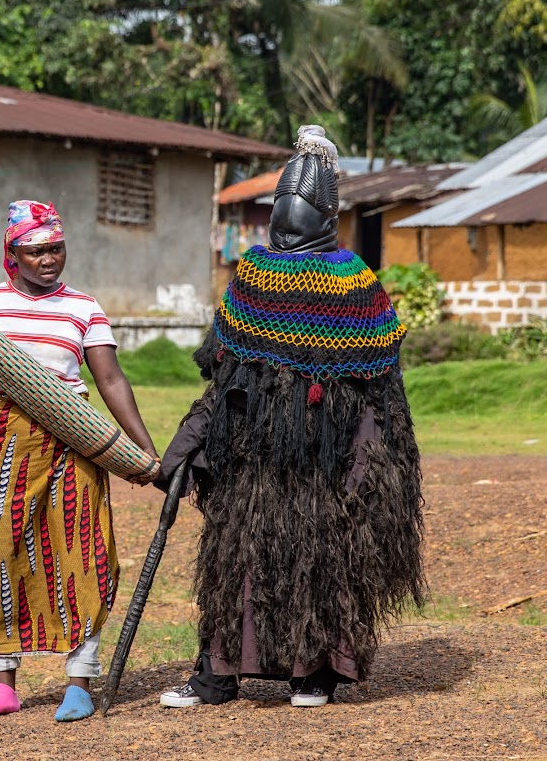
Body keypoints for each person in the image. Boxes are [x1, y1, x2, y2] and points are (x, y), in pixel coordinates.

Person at [154, 126, 426, 709]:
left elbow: (380, 387)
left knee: (321, 559)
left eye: (298, 211)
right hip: (255, 454)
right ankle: (219, 675)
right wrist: (194, 441)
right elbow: (224, 376)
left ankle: (313, 674)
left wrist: (372, 460)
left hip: (327, 456)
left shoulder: (356, 282)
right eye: (283, 210)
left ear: (325, 215)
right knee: (241, 560)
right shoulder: (253, 276)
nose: (288, 223)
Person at [0, 200, 157, 723]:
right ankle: (3, 684)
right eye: (36, 251)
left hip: (75, 439)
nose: (49, 259)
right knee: (2, 549)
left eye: (55, 248)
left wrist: (145, 450)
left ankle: (79, 682)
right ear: (12, 255)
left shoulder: (83, 306)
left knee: (85, 550)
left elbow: (110, 380)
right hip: (5, 440)